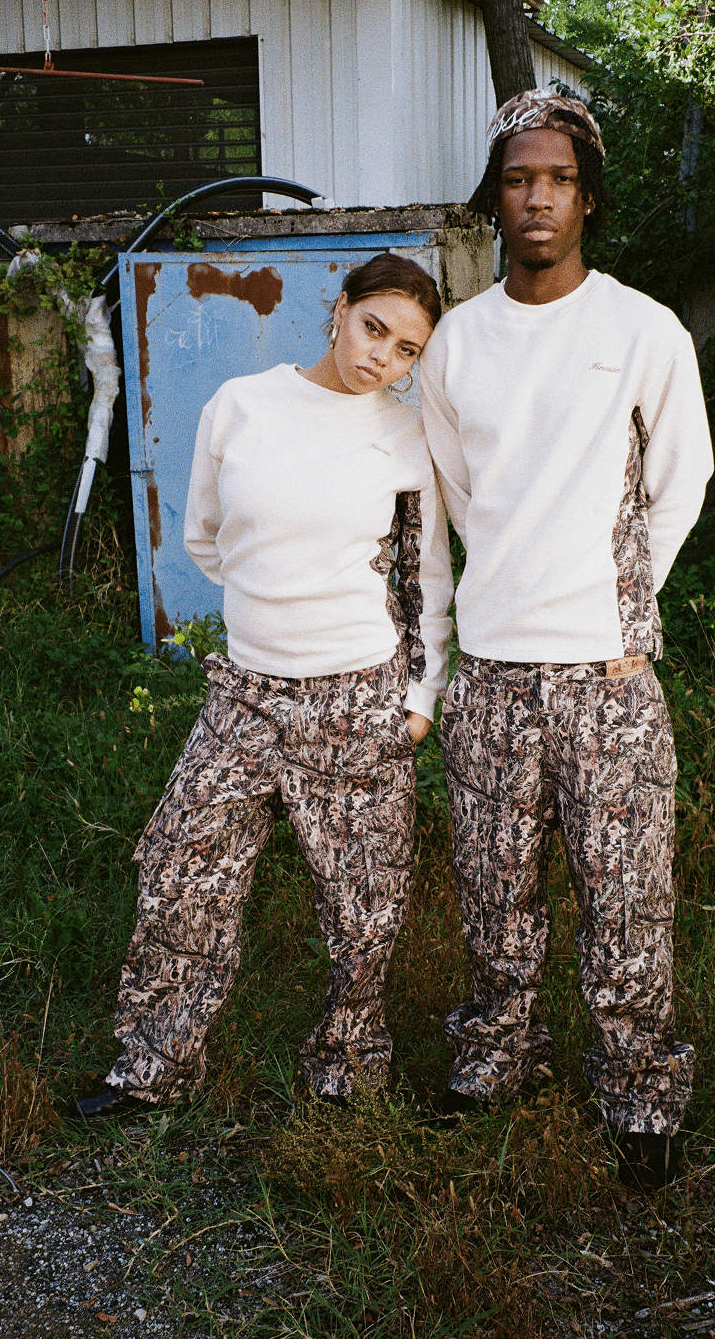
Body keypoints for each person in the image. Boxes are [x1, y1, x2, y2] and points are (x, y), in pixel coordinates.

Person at [73, 253, 453, 1122]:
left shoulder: (406, 436)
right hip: (244, 692)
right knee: (180, 864)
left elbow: (424, 578)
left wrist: (419, 700)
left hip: (357, 693)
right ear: (339, 309)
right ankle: (153, 1065)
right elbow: (206, 538)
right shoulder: (239, 406)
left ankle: (347, 1068)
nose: (382, 358)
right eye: (373, 329)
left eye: (405, 350)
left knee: (364, 897)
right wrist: (265, 610)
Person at [419, 89, 713, 1190]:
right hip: (492, 676)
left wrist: (624, 607)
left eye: (556, 180)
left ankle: (641, 1093)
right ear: (495, 198)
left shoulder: (642, 329)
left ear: (587, 196)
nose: (536, 199)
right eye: (515, 179)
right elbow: (443, 505)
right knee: (495, 894)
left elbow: (683, 482)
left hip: (608, 672)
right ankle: (493, 1058)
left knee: (625, 898)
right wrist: (448, 648)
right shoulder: (457, 342)